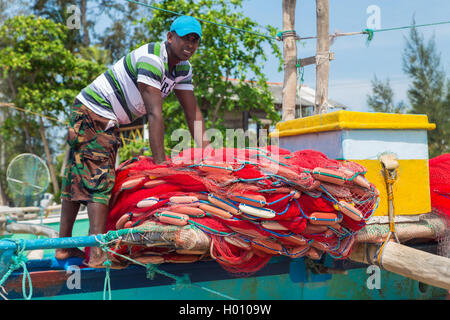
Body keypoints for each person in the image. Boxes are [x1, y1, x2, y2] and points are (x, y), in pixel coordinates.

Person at [55, 15, 209, 267]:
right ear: (170, 37)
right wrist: (160, 163)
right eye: (185, 39)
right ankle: (96, 252)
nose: (190, 45)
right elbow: (154, 113)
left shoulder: (183, 68)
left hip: (106, 118)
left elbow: (193, 113)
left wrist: (207, 154)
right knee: (98, 181)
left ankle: (64, 248)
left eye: (195, 41)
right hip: (93, 112)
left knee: (79, 176)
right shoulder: (152, 59)